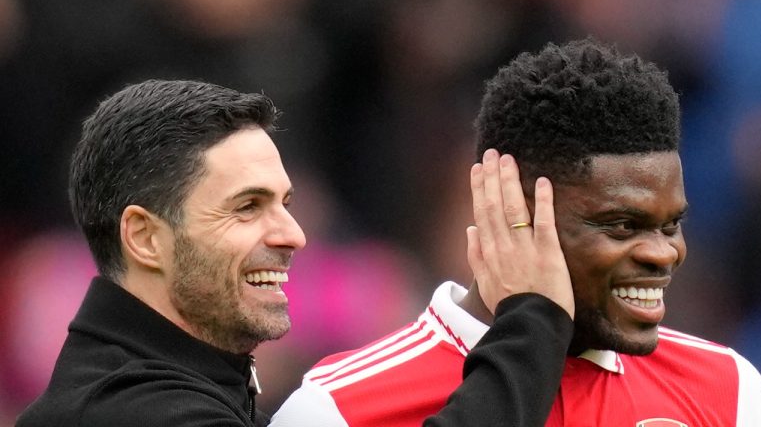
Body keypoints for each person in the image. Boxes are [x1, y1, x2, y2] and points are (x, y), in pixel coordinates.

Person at [16, 79, 576, 427]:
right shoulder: (129, 412)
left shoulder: (170, 389)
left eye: (285, 202)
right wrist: (532, 323)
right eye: (246, 207)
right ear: (144, 237)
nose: (294, 234)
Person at [270, 38, 761, 426]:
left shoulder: (729, 390)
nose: (664, 254)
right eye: (622, 225)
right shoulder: (338, 411)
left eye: (671, 225)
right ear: (511, 212)